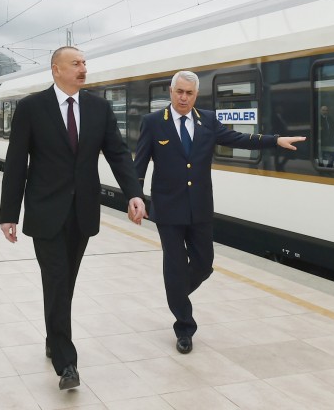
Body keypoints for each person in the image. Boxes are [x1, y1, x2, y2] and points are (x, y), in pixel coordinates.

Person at [0, 46, 147, 391]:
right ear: (56, 70)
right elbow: (16, 162)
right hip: (45, 212)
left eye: (84, 63)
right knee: (56, 280)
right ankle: (67, 364)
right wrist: (9, 214)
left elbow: (118, 153)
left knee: (66, 282)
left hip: (82, 213)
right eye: (76, 64)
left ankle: (54, 336)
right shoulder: (31, 108)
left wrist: (134, 193)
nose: (83, 69)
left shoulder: (99, 107)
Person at [129, 70, 304, 355]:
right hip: (167, 209)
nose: (184, 97)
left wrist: (274, 140)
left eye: (189, 93)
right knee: (174, 265)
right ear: (171, 92)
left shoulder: (207, 120)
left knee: (204, 263)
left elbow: (237, 139)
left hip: (199, 207)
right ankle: (184, 327)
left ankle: (175, 293)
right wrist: (135, 196)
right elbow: (140, 163)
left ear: (196, 95)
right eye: (179, 92)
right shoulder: (153, 123)